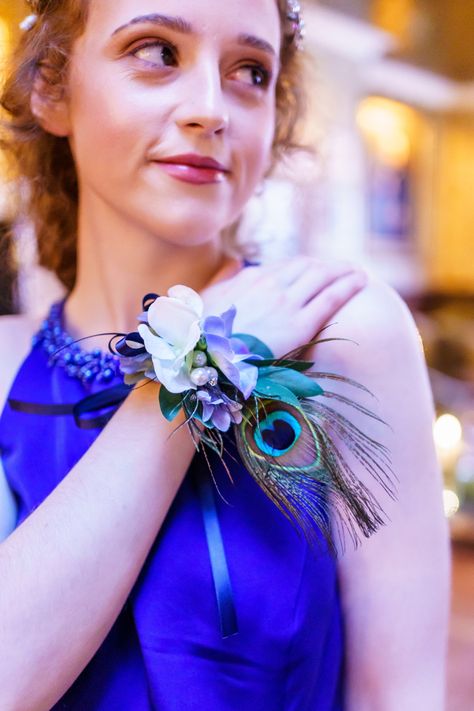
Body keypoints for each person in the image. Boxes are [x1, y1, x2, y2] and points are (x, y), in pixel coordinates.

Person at [0, 1, 449, 709]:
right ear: (51, 87)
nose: (211, 109)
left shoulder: (343, 332)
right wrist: (199, 363)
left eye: (250, 71)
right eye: (156, 51)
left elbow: (403, 696)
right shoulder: (4, 364)